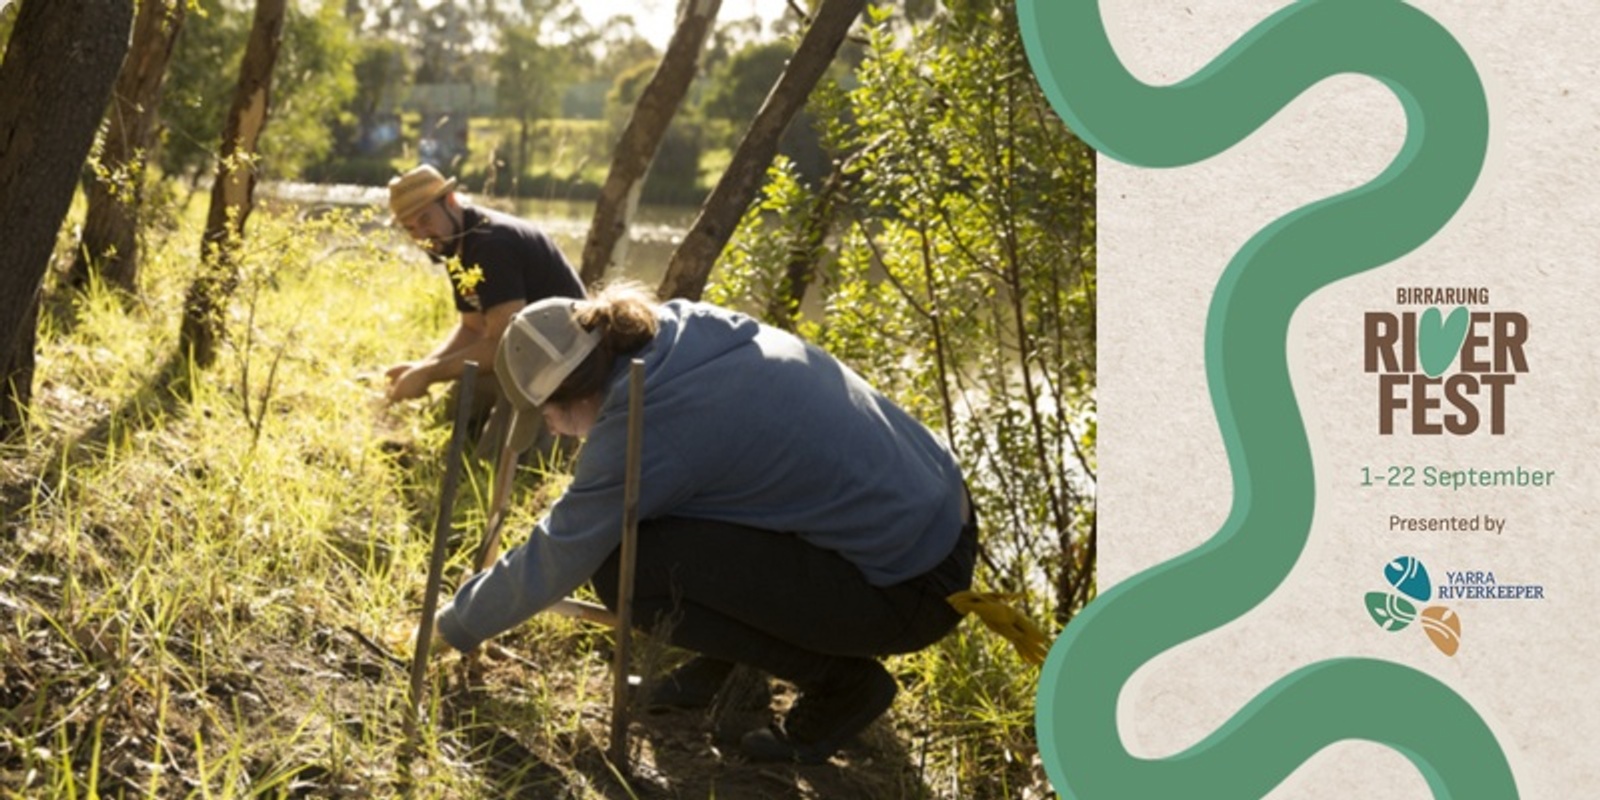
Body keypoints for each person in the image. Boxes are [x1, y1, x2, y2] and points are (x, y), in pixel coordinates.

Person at [433, 283, 977, 764]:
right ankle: (724, 664)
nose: (553, 432)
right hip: (941, 519)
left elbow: (560, 551)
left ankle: (843, 686)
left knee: (627, 566)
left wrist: (448, 626)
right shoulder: (677, 330)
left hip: (908, 589)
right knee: (675, 517)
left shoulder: (648, 421)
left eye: (547, 415)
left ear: (575, 392)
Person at [382, 164, 585, 405]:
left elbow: (503, 343)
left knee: (466, 405)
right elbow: (472, 328)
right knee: (452, 407)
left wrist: (427, 375)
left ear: (450, 201)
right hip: (531, 358)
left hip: (569, 365)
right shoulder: (454, 243)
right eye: (411, 228)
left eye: (425, 219)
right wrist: (420, 368)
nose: (422, 237)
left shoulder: (492, 244)